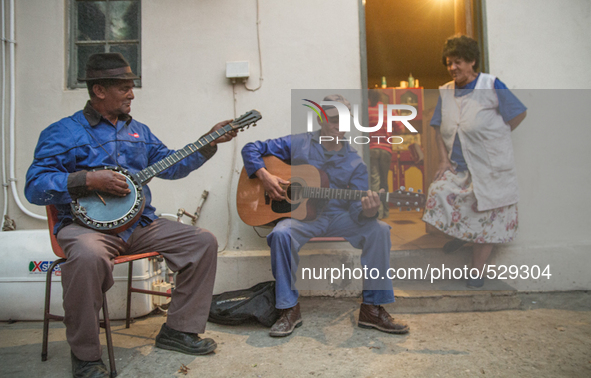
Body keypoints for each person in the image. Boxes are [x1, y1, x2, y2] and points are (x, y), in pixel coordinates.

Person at [25, 53, 236, 378]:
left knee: (202, 241)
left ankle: (178, 330)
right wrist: (86, 180)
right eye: (124, 88)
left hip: (138, 226)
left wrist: (208, 143)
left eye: (131, 87)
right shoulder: (63, 133)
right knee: (87, 256)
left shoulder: (139, 132)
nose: (131, 94)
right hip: (84, 229)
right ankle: (86, 357)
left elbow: (173, 165)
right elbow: (35, 187)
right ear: (98, 90)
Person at [241, 94, 409, 337]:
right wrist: (265, 176)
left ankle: (372, 309)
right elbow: (251, 148)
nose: (339, 126)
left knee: (379, 229)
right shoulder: (298, 143)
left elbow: (357, 211)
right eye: (333, 119)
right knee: (281, 233)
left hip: (339, 217)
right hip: (305, 218)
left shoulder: (355, 163)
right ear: (320, 119)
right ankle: (288, 309)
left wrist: (368, 210)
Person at [422, 35, 527, 288]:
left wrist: (496, 138)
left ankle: (476, 272)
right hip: (458, 167)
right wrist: (443, 160)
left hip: (490, 169)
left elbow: (518, 113)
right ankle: (463, 234)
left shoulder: (491, 85)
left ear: (471, 61)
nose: (452, 68)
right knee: (438, 193)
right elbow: (436, 127)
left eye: (457, 62)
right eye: (449, 63)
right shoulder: (446, 91)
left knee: (488, 218)